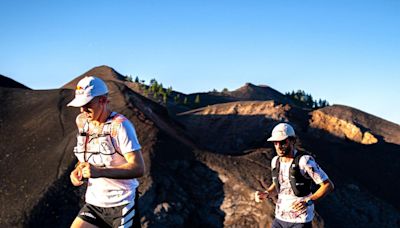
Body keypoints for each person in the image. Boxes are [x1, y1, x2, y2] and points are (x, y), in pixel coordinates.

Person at [67, 76, 145, 228]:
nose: (82, 110)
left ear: (102, 101)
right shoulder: (82, 122)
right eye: (80, 105)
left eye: (87, 104)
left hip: (122, 204)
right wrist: (77, 171)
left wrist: (100, 172)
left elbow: (138, 168)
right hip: (94, 204)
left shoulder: (120, 126)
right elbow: (86, 158)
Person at [257, 123, 334, 228]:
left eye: (283, 142)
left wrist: (309, 201)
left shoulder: (305, 161)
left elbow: (328, 185)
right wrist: (266, 193)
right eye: (275, 143)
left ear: (292, 141)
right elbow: (279, 185)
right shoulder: (275, 161)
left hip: (300, 221)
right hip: (279, 219)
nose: (278, 146)